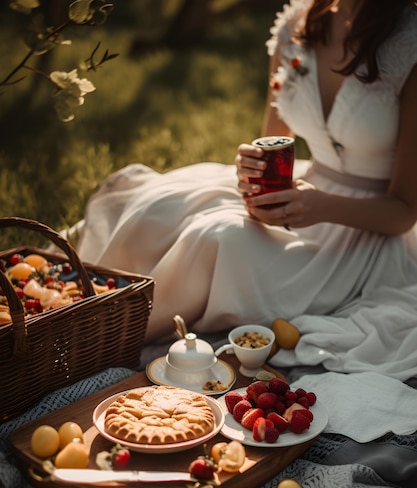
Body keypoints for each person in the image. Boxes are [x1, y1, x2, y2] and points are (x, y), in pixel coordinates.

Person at [77, 0, 417, 347]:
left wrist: (321, 207)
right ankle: (73, 307)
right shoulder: (298, 25)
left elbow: (404, 211)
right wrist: (251, 172)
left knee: (216, 238)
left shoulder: (410, 43)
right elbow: (271, 139)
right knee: (158, 208)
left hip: (365, 232)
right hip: (302, 191)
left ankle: (99, 342)